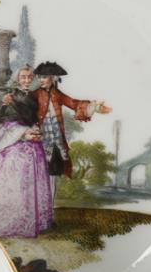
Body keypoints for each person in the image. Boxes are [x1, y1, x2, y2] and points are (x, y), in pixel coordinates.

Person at [0, 65, 54, 238]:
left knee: (32, 178)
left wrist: (36, 131)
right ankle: (13, 220)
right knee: (15, 177)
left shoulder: (33, 97)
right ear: (18, 79)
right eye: (23, 77)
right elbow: (7, 124)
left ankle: (31, 220)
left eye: (29, 77)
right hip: (15, 143)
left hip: (32, 141)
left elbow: (34, 119)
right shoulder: (11, 96)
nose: (26, 80)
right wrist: (24, 133)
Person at [12, 62, 112, 191]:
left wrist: (93, 107)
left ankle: (51, 197)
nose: (41, 80)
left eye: (44, 77)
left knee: (56, 170)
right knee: (41, 171)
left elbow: (73, 103)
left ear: (52, 78)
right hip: (41, 138)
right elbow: (24, 108)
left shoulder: (57, 94)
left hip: (57, 138)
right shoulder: (35, 94)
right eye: (40, 77)